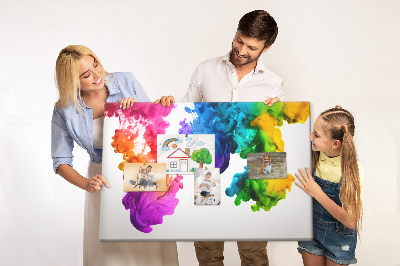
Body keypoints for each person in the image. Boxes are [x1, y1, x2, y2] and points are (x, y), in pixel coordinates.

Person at [157, 9, 283, 266]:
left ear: (265, 49)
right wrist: (167, 109)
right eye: (239, 40)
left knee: (254, 250)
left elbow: (275, 141)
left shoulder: (274, 83)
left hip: (253, 169)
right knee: (207, 247)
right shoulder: (205, 69)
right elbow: (185, 118)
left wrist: (276, 117)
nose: (241, 50)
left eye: (251, 47)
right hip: (207, 165)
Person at [51, 45, 178, 266]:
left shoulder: (125, 81)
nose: (97, 75)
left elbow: (155, 129)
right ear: (71, 81)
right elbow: (61, 161)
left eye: (96, 65)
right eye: (86, 74)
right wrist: (87, 184)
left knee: (149, 241)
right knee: (112, 252)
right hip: (102, 180)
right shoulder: (65, 109)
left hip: (142, 170)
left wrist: (155, 106)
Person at [295, 105, 363, 266]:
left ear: (335, 144)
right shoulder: (312, 155)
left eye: (317, 135)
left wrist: (318, 193)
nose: (310, 136)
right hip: (310, 232)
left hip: (339, 239)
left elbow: (351, 221)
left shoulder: (353, 171)